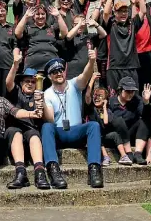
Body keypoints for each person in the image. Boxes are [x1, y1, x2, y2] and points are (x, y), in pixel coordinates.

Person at [41, 50, 104, 189]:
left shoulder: (74, 85)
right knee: (46, 127)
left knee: (93, 125)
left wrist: (91, 61)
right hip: (59, 133)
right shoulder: (47, 94)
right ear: (50, 76)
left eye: (61, 70)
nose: (59, 73)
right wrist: (42, 102)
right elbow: (50, 119)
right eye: (54, 72)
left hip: (76, 131)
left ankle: (94, 169)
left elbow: (85, 76)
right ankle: (53, 170)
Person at [4, 54, 50, 189]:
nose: (30, 83)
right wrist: (15, 64)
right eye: (27, 81)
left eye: (33, 81)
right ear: (21, 83)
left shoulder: (40, 95)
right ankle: (20, 173)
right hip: (14, 130)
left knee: (35, 135)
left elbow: (46, 117)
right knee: (16, 133)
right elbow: (8, 82)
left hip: (31, 131)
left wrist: (42, 102)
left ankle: (40, 172)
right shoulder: (15, 92)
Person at [102, 0, 146, 95]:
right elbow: (106, 13)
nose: (123, 14)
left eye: (125, 11)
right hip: (114, 67)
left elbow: (143, 12)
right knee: (114, 97)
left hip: (131, 67)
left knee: (133, 97)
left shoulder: (132, 24)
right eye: (120, 11)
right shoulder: (111, 25)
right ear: (115, 13)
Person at [84, 73, 133, 166]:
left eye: (100, 96)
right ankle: (106, 157)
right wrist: (92, 79)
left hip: (105, 135)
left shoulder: (108, 110)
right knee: (97, 136)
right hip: (94, 136)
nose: (97, 98)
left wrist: (105, 107)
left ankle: (123, 156)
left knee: (115, 135)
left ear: (105, 99)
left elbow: (106, 121)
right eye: (95, 95)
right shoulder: (91, 109)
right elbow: (87, 95)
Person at [109, 77, 151, 165]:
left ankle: (138, 153)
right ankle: (128, 153)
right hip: (118, 136)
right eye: (127, 91)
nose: (130, 94)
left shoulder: (137, 100)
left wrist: (146, 102)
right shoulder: (111, 102)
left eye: (132, 92)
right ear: (120, 90)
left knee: (144, 121)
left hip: (131, 133)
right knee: (119, 121)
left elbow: (147, 117)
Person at [15, 5, 68, 72]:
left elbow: (64, 33)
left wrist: (58, 16)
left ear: (46, 15)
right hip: (32, 65)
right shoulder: (28, 28)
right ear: (33, 16)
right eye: (37, 14)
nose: (40, 16)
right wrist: (26, 16)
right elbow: (17, 33)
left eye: (43, 14)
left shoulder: (52, 28)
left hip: (51, 65)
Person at [64, 15, 107, 80]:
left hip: (87, 71)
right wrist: (79, 24)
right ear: (73, 25)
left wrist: (96, 24)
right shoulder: (71, 36)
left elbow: (104, 34)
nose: (80, 25)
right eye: (76, 23)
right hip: (72, 72)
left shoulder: (89, 36)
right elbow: (68, 36)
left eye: (82, 24)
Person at [90, 0, 113, 88]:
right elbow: (92, 20)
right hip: (103, 53)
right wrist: (99, 2)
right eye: (105, 1)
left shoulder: (116, 16)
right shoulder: (101, 14)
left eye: (109, 1)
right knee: (103, 82)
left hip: (114, 54)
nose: (107, 2)